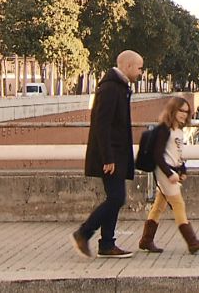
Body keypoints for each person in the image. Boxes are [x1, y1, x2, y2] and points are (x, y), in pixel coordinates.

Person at [71, 50, 143, 259]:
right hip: (111, 157)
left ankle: (107, 244)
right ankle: (84, 233)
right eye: (138, 68)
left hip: (115, 155)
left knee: (115, 197)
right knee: (116, 198)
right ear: (128, 66)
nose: (140, 72)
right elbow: (101, 126)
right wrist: (108, 158)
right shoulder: (111, 89)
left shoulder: (118, 87)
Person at [138, 96, 199, 254]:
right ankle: (191, 241)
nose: (184, 114)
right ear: (173, 110)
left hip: (172, 171)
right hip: (165, 172)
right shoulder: (165, 129)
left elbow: (177, 154)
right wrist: (169, 173)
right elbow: (158, 155)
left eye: (186, 111)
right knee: (178, 204)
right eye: (181, 111)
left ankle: (146, 240)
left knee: (159, 206)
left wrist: (182, 170)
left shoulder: (179, 130)